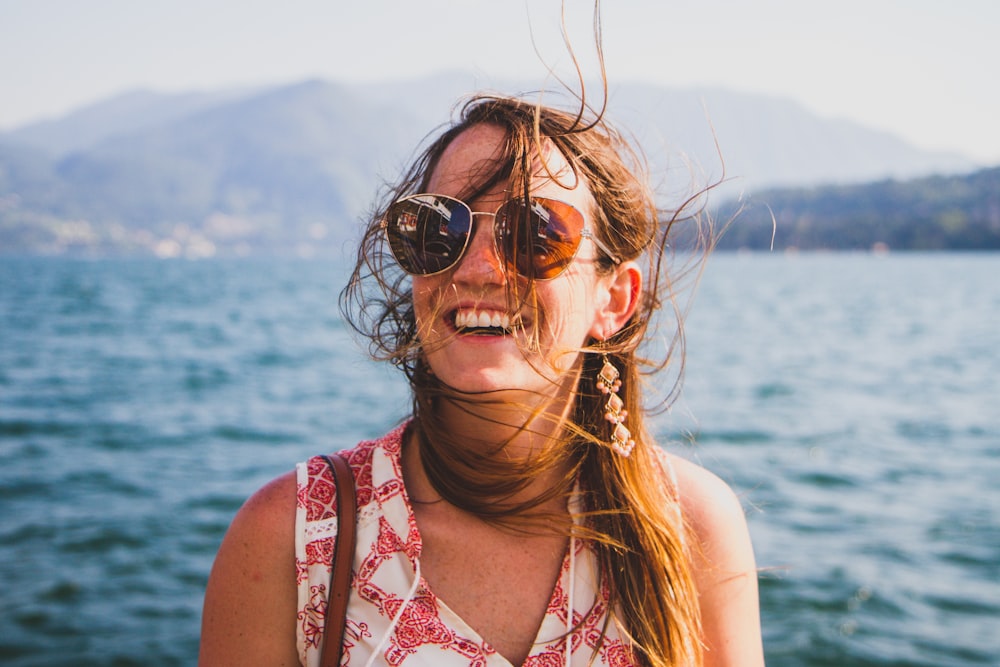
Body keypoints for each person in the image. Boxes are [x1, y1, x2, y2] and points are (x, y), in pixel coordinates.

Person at [199, 90, 764, 666]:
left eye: (536, 235)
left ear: (613, 299)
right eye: (440, 230)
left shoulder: (688, 530)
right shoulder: (295, 538)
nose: (476, 268)